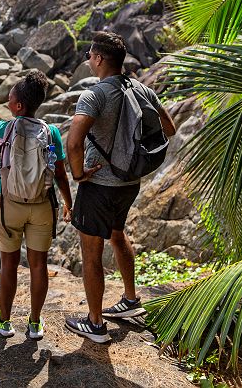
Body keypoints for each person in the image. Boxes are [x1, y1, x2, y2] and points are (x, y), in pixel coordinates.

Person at [64, 31, 176, 343]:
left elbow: (73, 142)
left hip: (99, 184)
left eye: (90, 54)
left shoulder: (94, 95)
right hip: (129, 181)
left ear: (99, 59)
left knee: (91, 253)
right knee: (117, 234)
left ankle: (96, 323)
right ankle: (130, 300)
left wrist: (78, 174)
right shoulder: (141, 88)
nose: (88, 59)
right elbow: (169, 128)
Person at [0, 71, 73, 341]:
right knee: (38, 265)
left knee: (9, 264)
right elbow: (60, 173)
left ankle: (4, 321)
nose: (7, 101)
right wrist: (67, 203)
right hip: (41, 205)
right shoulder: (51, 132)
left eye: (10, 98)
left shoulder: (5, 129)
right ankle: (35, 323)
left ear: (18, 106)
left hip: (9, 205)